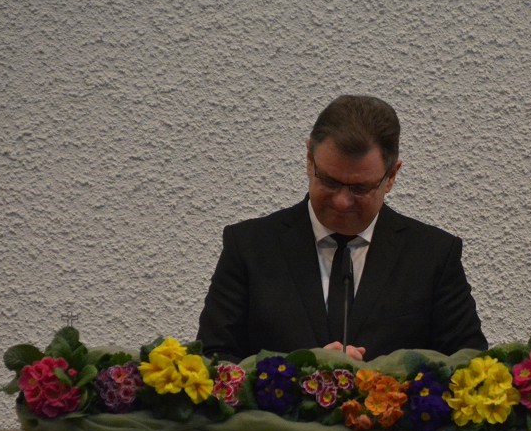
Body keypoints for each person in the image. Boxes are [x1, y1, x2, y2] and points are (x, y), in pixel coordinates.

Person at [197, 94, 487, 362]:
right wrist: (297, 376)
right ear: (309, 159)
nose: (342, 201)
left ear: (391, 176)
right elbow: (213, 359)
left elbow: (470, 367)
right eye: (329, 181)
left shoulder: (434, 255)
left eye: (360, 188)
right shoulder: (248, 247)